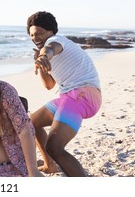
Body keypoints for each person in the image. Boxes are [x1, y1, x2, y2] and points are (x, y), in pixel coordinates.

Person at [27, 11, 102, 176]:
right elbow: (49, 85)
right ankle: (50, 165)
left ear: (51, 32)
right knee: (29, 124)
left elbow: (51, 49)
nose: (35, 38)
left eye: (39, 33)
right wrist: (39, 63)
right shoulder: (44, 53)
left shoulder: (56, 41)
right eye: (32, 35)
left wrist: (44, 55)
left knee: (54, 147)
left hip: (82, 95)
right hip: (70, 97)